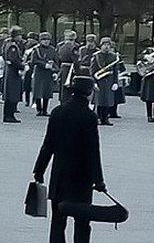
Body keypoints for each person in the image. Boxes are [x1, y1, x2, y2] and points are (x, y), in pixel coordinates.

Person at [33, 76, 106, 243]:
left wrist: (39, 170)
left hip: (59, 177)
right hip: (81, 180)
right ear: (88, 93)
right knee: (82, 222)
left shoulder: (58, 111)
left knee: (58, 222)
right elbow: (92, 152)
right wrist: (98, 180)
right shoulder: (89, 116)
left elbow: (47, 145)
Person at [90, 38, 118, 126]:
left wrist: (115, 82)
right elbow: (92, 70)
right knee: (99, 100)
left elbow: (115, 70)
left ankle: (106, 118)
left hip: (109, 81)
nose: (106, 47)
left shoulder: (113, 56)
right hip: (99, 81)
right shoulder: (96, 56)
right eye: (104, 45)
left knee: (107, 100)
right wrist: (93, 82)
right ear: (101, 46)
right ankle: (98, 117)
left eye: (108, 45)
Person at [30, 33, 60, 117]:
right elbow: (33, 61)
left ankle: (45, 110)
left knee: (47, 91)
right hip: (39, 72)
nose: (46, 41)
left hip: (49, 73)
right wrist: (43, 64)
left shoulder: (52, 49)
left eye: (48, 39)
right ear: (40, 40)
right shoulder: (36, 50)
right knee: (38, 91)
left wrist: (55, 71)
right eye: (44, 39)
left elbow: (56, 61)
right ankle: (39, 109)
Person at [2, 26, 25, 123]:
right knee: (12, 93)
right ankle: (9, 115)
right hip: (13, 72)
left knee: (10, 93)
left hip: (9, 70)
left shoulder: (7, 43)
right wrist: (22, 66)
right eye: (19, 35)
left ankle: (9, 114)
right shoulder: (13, 46)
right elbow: (13, 59)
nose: (20, 37)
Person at [57, 30, 79, 103]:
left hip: (62, 68)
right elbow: (75, 60)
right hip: (71, 69)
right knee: (70, 88)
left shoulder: (60, 46)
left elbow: (57, 58)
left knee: (62, 88)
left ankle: (62, 102)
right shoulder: (74, 47)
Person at [109, 44, 126, 119]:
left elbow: (122, 68)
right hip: (108, 77)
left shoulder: (117, 57)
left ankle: (114, 112)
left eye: (113, 48)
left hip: (117, 77)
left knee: (117, 96)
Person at [22, 32, 39, 107]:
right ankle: (27, 100)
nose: (30, 40)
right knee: (27, 84)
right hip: (27, 66)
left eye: (32, 39)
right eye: (29, 38)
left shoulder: (37, 47)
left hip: (34, 66)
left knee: (34, 85)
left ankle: (34, 101)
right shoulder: (25, 46)